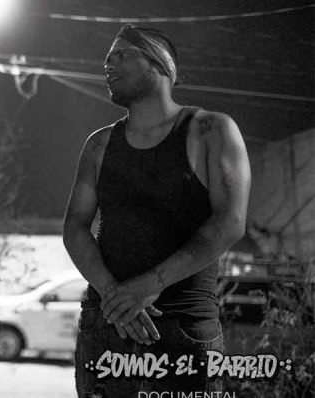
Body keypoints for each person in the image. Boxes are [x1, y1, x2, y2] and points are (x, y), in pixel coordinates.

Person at [63, 24, 251, 397]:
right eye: (107, 59)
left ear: (159, 63)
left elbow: (230, 222)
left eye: (121, 55)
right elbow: (75, 226)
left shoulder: (210, 130)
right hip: (105, 325)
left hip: (183, 326)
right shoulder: (99, 145)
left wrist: (147, 287)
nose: (108, 65)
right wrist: (116, 296)